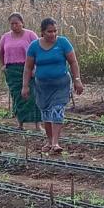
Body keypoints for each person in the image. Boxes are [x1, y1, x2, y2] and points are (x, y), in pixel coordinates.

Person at [22, 18, 84, 153]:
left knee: (57, 110)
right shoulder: (34, 46)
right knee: (45, 113)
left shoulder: (63, 43)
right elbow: (28, 68)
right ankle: (49, 141)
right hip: (42, 86)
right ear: (42, 32)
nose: (53, 34)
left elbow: (73, 62)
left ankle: (56, 143)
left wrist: (77, 79)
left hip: (61, 84)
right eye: (49, 31)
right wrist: (25, 86)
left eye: (55, 31)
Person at [0, 13, 41, 130]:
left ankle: (37, 125)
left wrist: (35, 67)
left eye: (16, 23)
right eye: (12, 24)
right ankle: (20, 124)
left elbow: (39, 51)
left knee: (32, 95)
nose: (14, 26)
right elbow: (0, 52)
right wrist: (3, 66)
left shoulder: (30, 35)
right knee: (17, 96)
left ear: (22, 23)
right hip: (12, 71)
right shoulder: (5, 37)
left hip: (28, 68)